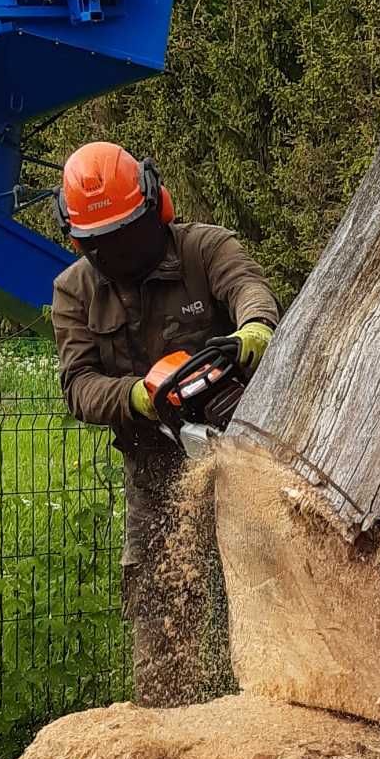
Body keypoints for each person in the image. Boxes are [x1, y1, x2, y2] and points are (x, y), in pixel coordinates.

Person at [51, 142, 278, 705]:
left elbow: (249, 288)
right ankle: (167, 726)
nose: (120, 250)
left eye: (128, 233)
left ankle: (273, 710)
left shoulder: (205, 249)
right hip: (154, 477)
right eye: (105, 243)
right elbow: (79, 386)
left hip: (240, 463)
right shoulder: (74, 292)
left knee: (271, 593)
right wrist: (138, 397)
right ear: (82, 241)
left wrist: (252, 331)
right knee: (161, 617)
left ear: (155, 206)